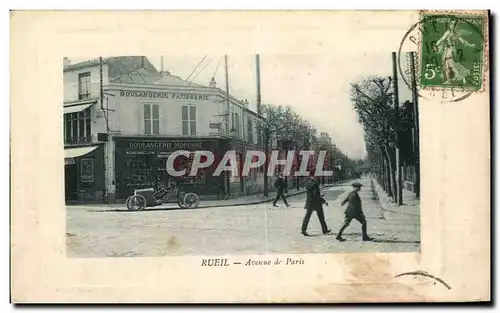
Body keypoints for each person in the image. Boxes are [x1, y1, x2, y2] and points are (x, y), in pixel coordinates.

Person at [301, 171, 331, 236]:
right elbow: (316, 195)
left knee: (307, 217)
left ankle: (303, 230)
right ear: (314, 175)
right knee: (321, 217)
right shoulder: (314, 183)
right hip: (316, 203)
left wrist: (319, 194)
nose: (317, 176)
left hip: (310, 203)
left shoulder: (307, 182)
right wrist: (324, 201)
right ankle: (325, 230)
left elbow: (311, 193)